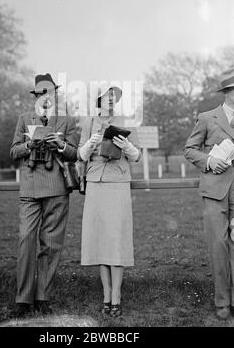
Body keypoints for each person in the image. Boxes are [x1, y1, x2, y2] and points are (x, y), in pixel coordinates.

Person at [10, 73, 79, 317]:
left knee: (51, 244)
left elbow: (75, 153)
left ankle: (42, 296)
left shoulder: (67, 120)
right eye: (39, 94)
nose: (43, 97)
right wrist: (29, 145)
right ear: (35, 96)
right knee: (26, 239)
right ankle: (23, 298)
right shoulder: (23, 119)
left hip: (57, 187)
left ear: (55, 95)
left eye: (48, 93)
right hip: (30, 188)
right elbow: (13, 151)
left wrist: (58, 145)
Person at [78, 85, 140, 317]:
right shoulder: (88, 122)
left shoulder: (126, 122)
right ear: (98, 100)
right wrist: (90, 144)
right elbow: (81, 156)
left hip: (118, 184)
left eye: (114, 98)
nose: (111, 101)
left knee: (116, 239)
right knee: (100, 241)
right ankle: (106, 295)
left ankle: (117, 297)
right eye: (107, 97)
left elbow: (137, 156)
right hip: (95, 183)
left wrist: (128, 146)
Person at [184, 67, 234, 320]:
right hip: (215, 191)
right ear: (228, 92)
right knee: (218, 247)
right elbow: (190, 150)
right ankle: (223, 301)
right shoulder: (207, 118)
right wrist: (209, 162)